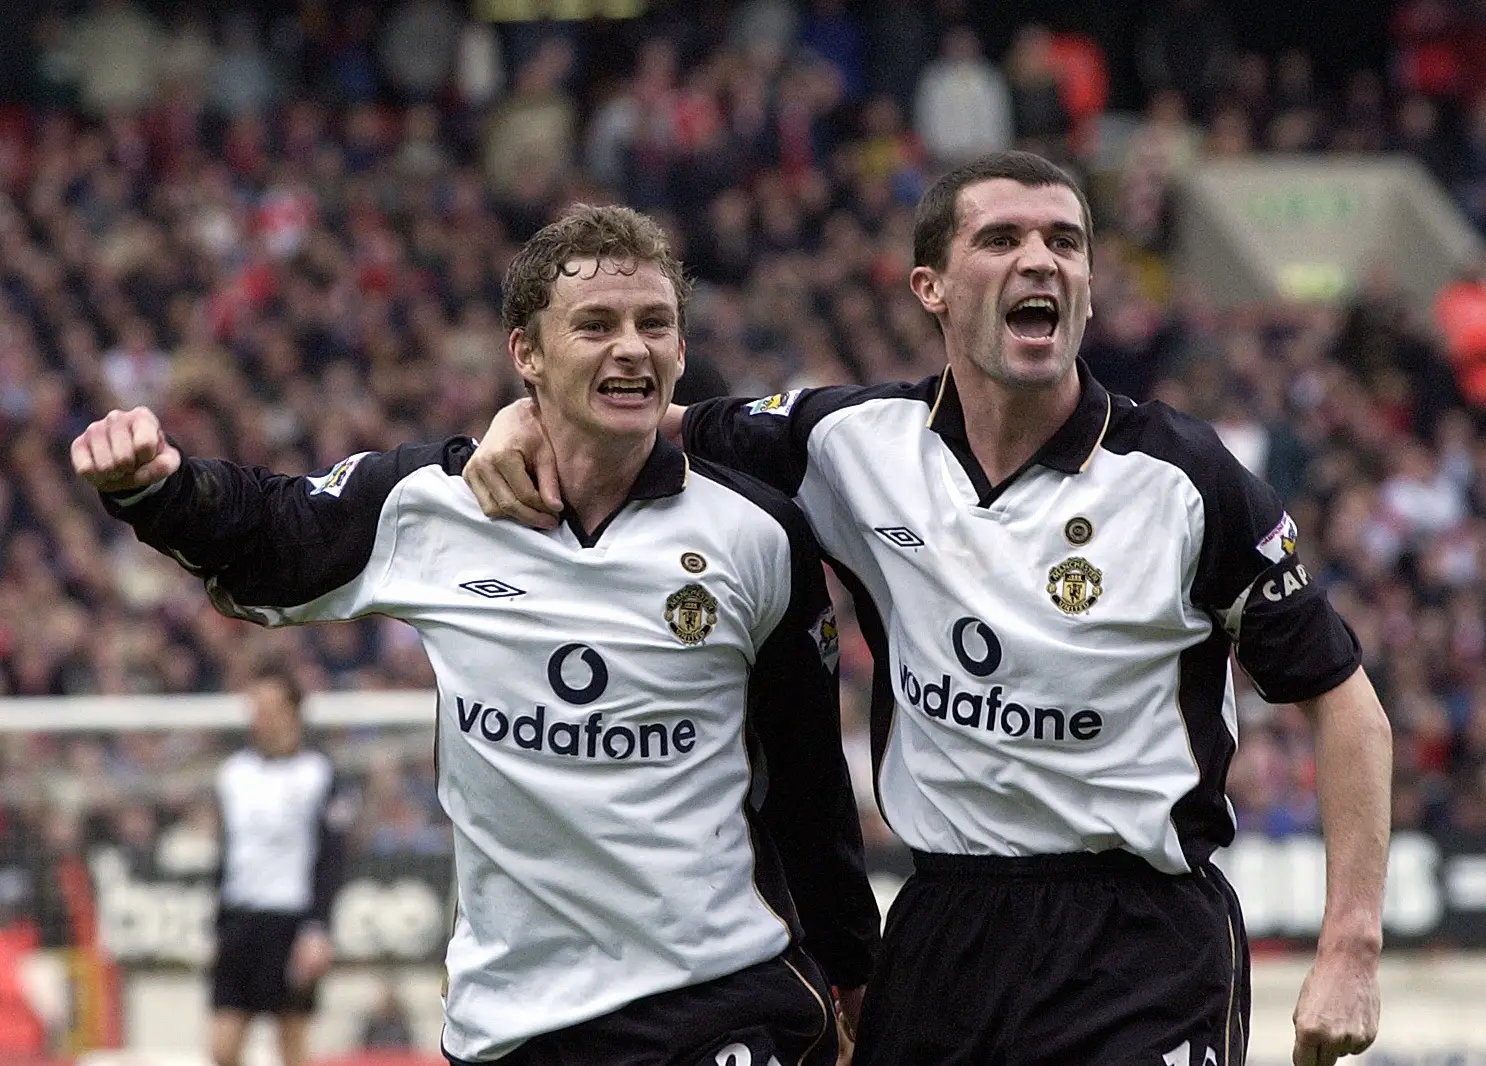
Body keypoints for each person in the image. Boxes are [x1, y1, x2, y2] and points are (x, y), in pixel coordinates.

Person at [462, 152, 1393, 1066]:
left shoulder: (1187, 480)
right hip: (943, 928)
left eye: (1065, 242)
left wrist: (1350, 945)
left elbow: (1346, 703)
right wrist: (522, 416)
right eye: (1002, 238)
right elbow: (631, 421)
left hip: (1136, 939)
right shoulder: (848, 443)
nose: (1041, 261)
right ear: (931, 287)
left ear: (1090, 289)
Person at [71, 204, 878, 1066]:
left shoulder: (757, 533)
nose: (632, 347)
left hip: (719, 999)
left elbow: (806, 787)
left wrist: (855, 969)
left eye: (655, 324)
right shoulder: (433, 504)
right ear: (524, 352)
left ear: (682, 350)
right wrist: (158, 490)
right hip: (513, 1020)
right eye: (595, 325)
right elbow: (276, 535)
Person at [207, 666, 352, 1066]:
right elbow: (226, 854)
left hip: (290, 921)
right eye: (255, 708)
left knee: (292, 1043)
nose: (260, 717)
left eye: (269, 708)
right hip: (240, 920)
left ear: (292, 713)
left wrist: (318, 927)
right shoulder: (233, 774)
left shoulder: (317, 774)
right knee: (222, 1047)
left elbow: (331, 858)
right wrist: (218, 923)